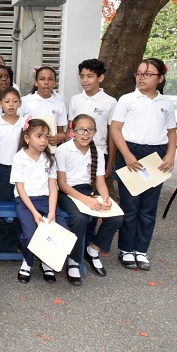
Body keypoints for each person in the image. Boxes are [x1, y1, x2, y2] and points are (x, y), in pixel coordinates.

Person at [110, 58, 176, 271]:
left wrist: (170, 154)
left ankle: (141, 249)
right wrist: (127, 154)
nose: (141, 77)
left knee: (148, 207)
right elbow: (115, 129)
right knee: (130, 206)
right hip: (132, 154)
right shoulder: (127, 100)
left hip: (156, 155)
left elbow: (171, 132)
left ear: (160, 78)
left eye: (148, 74)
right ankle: (127, 249)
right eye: (139, 73)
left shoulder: (166, 103)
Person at [56, 114, 123, 284]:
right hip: (68, 192)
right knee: (79, 218)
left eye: (90, 129)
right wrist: (86, 201)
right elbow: (62, 184)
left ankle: (93, 250)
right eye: (81, 129)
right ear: (73, 131)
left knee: (116, 217)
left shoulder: (98, 152)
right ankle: (73, 260)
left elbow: (100, 181)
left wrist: (106, 198)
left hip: (88, 190)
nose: (85, 133)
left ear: (95, 131)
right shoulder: (63, 150)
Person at [10, 118, 68, 284]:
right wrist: (35, 213)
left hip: (46, 200)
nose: (44, 140)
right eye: (39, 136)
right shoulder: (19, 158)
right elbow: (20, 189)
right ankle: (27, 262)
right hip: (26, 201)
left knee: (59, 230)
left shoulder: (49, 159)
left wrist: (51, 211)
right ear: (27, 138)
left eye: (46, 136)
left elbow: (52, 187)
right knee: (29, 233)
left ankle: (47, 262)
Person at [0, 87, 25, 252]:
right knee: (1, 205)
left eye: (15, 101)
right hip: (1, 169)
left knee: (19, 204)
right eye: (7, 101)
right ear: (0, 104)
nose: (11, 105)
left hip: (22, 170)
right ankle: (2, 244)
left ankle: (17, 241)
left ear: (20, 104)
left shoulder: (26, 123)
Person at [68, 59, 117, 177]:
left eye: (90, 76)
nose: (85, 80)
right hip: (74, 152)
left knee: (95, 190)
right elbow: (70, 129)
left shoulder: (110, 102)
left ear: (100, 78)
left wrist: (110, 164)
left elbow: (112, 134)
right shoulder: (75, 100)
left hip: (99, 153)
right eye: (82, 76)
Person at [19, 66, 68, 146]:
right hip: (30, 149)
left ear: (55, 82)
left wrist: (58, 138)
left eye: (50, 79)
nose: (46, 82)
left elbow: (61, 132)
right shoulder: (25, 101)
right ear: (36, 82)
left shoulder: (59, 104)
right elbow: (18, 127)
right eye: (42, 79)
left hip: (50, 150)